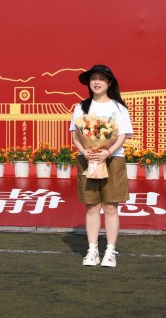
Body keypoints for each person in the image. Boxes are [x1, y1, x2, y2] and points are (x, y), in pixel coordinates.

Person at [69, 64, 133, 268]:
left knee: (111, 207)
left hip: (113, 160)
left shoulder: (119, 108)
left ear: (110, 83)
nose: (96, 82)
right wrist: (84, 150)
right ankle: (92, 250)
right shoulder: (81, 107)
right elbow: (75, 135)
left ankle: (110, 251)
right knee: (92, 206)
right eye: (93, 78)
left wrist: (108, 151)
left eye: (101, 79)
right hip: (88, 160)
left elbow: (122, 135)